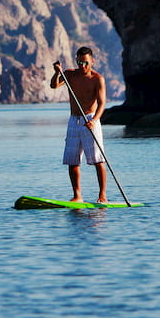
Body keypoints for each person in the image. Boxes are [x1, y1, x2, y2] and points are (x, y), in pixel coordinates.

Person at [50, 47, 108, 203]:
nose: (82, 66)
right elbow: (54, 86)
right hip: (74, 120)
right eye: (79, 62)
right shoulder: (69, 74)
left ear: (92, 61)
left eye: (86, 62)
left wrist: (94, 120)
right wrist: (57, 72)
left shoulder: (97, 79)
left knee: (98, 160)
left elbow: (102, 104)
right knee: (72, 160)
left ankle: (102, 196)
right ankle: (77, 196)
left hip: (90, 119)